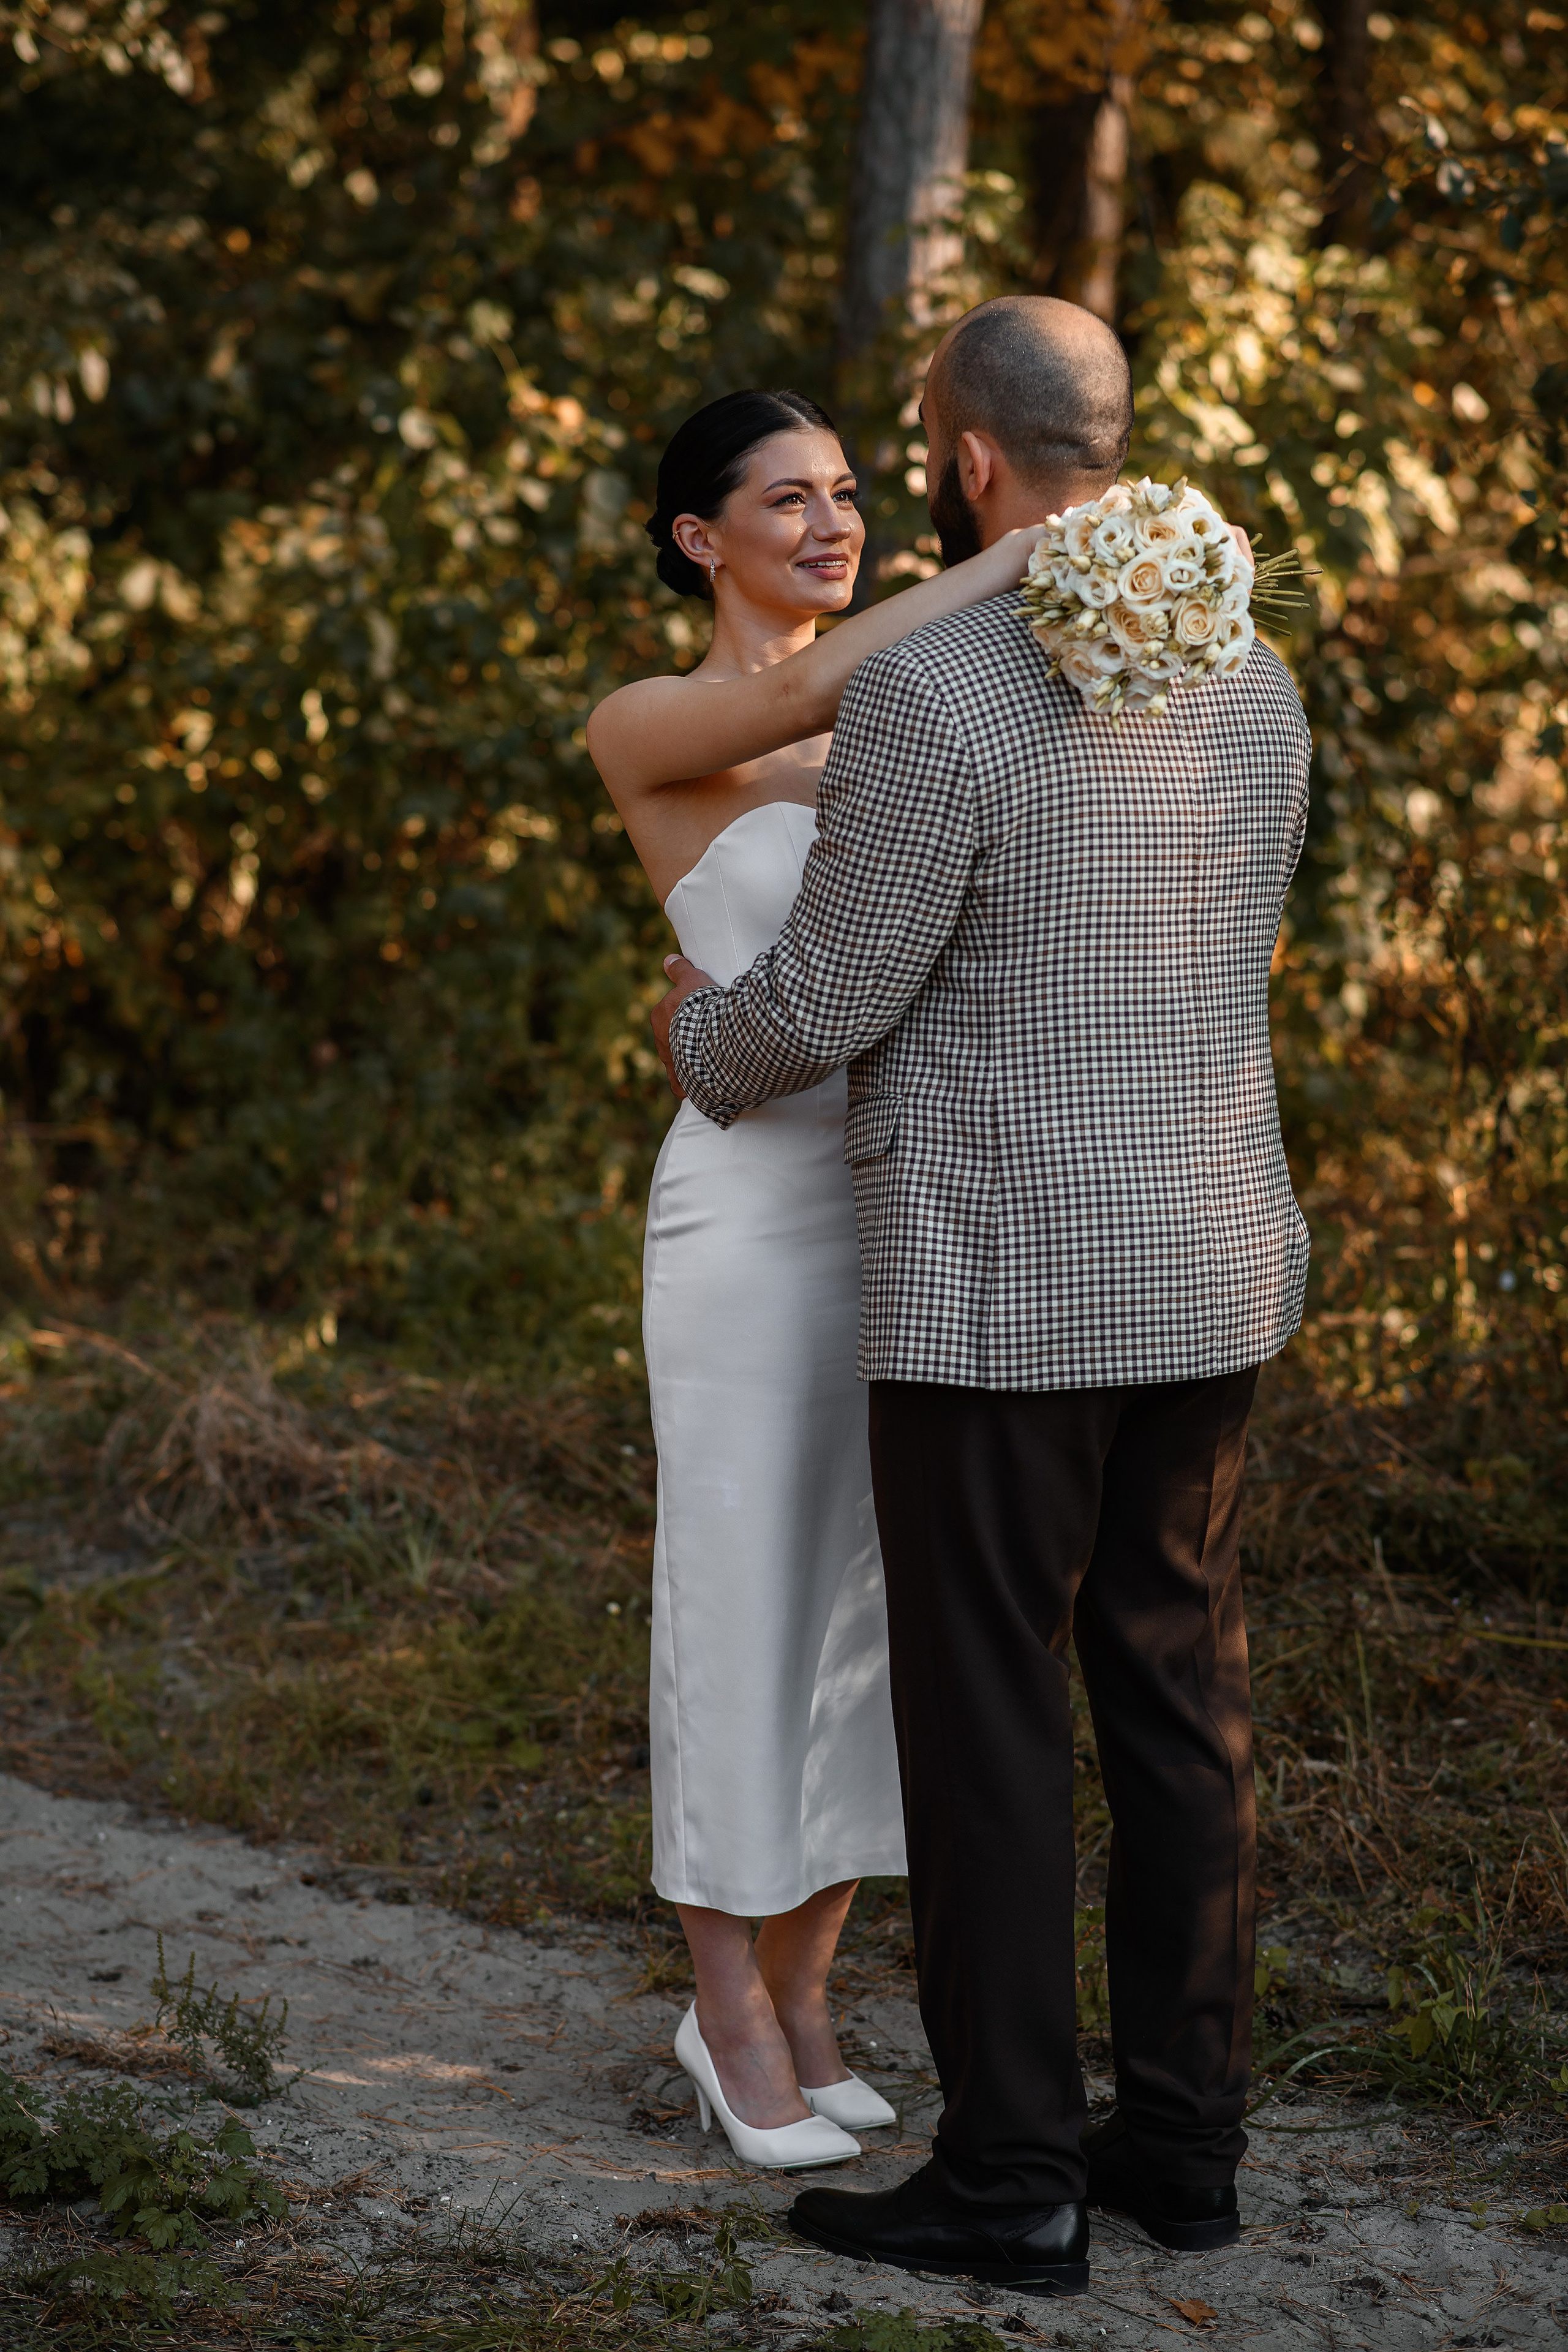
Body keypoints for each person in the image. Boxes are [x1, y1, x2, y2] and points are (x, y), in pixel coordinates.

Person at [652, 298, 1310, 2291]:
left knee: (992, 1719)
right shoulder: (1252, 671)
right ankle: (1182, 2150)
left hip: (999, 1284)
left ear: (961, 460)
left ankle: (1015, 2173)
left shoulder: (938, 688)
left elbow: (835, 995)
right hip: (1208, 1264)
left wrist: (696, 1039)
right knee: (1181, 1707)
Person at [587, 388, 1047, 2169]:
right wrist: (1016, 555)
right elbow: (789, 701)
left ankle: (807, 1992)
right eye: (787, 500)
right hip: (748, 1221)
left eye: (850, 491)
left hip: (910, 1205)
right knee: (739, 1596)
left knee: (870, 1606)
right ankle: (724, 2014)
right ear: (700, 538)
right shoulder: (652, 722)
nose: (835, 522)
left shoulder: (916, 712)